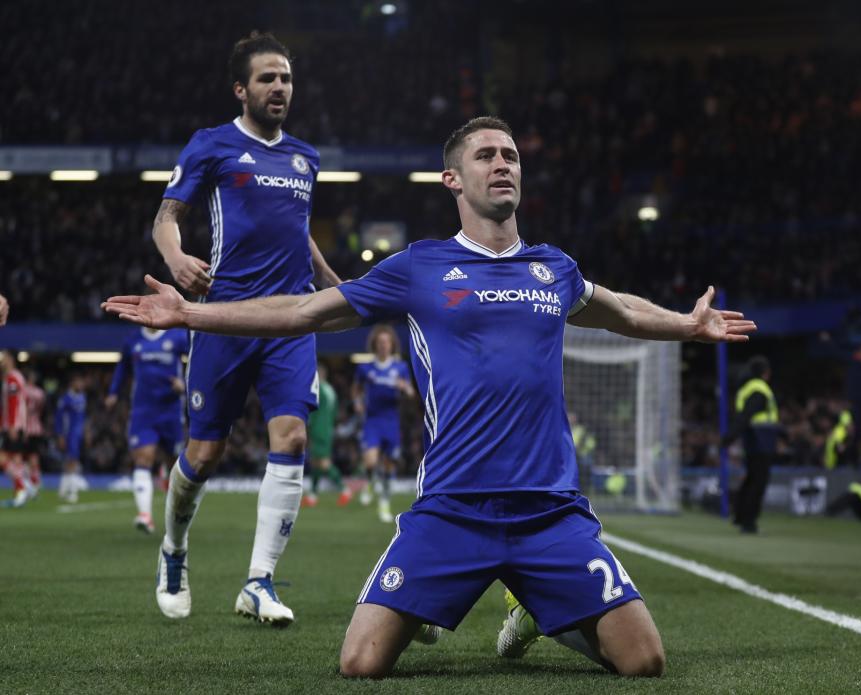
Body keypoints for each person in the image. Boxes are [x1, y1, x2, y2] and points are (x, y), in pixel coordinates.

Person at [103, 116, 756, 678]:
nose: (503, 164)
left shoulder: (552, 268)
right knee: (360, 661)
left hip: (550, 510)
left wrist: (687, 323)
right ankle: (505, 595)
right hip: (451, 508)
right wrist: (194, 315)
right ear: (453, 179)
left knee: (645, 660)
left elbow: (622, 311)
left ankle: (542, 611)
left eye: (511, 156)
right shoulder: (419, 267)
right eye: (486, 155)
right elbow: (302, 309)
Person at [147, 32, 341, 625]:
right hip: (224, 317)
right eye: (267, 78)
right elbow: (165, 219)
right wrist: (177, 261)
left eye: (285, 77)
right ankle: (174, 551)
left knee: (292, 439)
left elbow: (298, 232)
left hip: (289, 319)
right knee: (204, 454)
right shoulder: (213, 145)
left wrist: (338, 288)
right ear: (242, 89)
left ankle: (259, 582)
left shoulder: (305, 157)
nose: (279, 87)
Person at [106, 327, 190, 533]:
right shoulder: (133, 339)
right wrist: (113, 392)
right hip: (143, 411)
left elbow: (198, 359)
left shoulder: (177, 336)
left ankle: (171, 495)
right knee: (143, 458)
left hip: (171, 410)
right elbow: (122, 366)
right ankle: (145, 515)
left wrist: (186, 384)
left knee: (174, 463)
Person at [352, 325, 414, 522]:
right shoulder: (365, 368)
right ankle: (370, 480)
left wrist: (405, 388)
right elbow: (356, 389)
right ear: (375, 345)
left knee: (388, 465)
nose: (383, 346)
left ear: (392, 345)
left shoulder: (400, 368)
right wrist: (357, 403)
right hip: (373, 419)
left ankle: (384, 502)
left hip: (391, 420)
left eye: (386, 342)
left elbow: (412, 393)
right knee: (370, 461)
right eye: (380, 343)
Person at [724, 355, 779, 534]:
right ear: (765, 372)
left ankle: (740, 516)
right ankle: (749, 522)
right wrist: (729, 437)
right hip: (761, 441)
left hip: (754, 440)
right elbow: (746, 416)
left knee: (750, 479)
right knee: (758, 482)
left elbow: (745, 416)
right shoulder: (760, 390)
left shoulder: (747, 388)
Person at [303, 362, 344, 507]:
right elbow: (335, 413)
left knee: (323, 463)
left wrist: (308, 425)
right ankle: (313, 495)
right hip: (327, 429)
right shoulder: (331, 391)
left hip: (319, 430)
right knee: (315, 463)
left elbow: (313, 411)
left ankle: (344, 490)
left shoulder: (319, 390)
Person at [1, 350, 30, 506]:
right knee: (16, 460)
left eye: (4, 357)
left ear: (10, 359)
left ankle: (22, 487)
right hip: (17, 424)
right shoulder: (16, 377)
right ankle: (22, 490)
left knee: (4, 458)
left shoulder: (12, 378)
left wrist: (11, 425)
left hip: (13, 425)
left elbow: (13, 404)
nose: (2, 360)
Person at [55, 373, 87, 504]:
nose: (81, 385)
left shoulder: (83, 397)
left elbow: (83, 417)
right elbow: (59, 418)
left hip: (78, 433)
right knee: (72, 461)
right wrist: (60, 435)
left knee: (70, 461)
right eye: (79, 382)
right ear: (73, 383)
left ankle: (62, 490)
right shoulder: (65, 399)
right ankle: (73, 492)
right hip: (69, 433)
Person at [23, 370, 46, 499]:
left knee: (23, 460)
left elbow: (23, 410)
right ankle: (36, 485)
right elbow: (42, 411)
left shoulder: (23, 391)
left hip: (25, 429)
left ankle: (28, 487)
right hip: (37, 428)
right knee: (34, 459)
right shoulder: (40, 393)